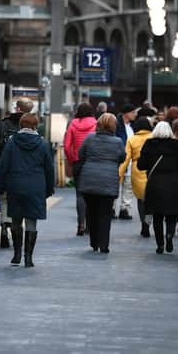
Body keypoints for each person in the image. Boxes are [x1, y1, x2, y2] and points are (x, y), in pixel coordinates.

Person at [0, 113, 54, 267]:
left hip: (15, 186)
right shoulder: (43, 144)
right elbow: (49, 169)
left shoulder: (12, 142)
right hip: (36, 188)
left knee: (16, 220)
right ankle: (28, 258)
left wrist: (0, 186)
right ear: (35, 126)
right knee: (31, 222)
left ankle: (16, 255)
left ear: (21, 125)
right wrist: (48, 190)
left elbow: (3, 167)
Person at [0, 98, 34, 246]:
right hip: (25, 173)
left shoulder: (4, 125)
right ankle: (15, 227)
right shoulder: (32, 127)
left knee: (4, 200)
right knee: (19, 201)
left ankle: (5, 226)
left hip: (4, 171)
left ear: (17, 108)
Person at [77, 113, 126, 253]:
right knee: (105, 214)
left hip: (89, 181)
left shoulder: (89, 138)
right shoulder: (117, 142)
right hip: (108, 182)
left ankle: (94, 242)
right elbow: (122, 157)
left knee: (91, 213)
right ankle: (104, 245)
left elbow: (81, 154)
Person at [137, 122, 178, 254]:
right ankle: (170, 235)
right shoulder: (176, 145)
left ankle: (160, 244)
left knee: (157, 216)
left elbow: (141, 166)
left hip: (155, 184)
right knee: (171, 215)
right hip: (173, 184)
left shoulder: (149, 144)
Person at [64, 103, 97, 236]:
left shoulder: (72, 124)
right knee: (92, 195)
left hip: (78, 162)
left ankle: (80, 226)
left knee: (79, 195)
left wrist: (72, 160)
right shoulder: (96, 124)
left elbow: (67, 146)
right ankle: (90, 225)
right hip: (92, 162)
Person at [118, 117, 153, 238]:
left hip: (137, 170)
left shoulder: (132, 139)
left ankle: (143, 224)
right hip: (152, 171)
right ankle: (148, 224)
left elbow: (126, 159)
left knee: (140, 200)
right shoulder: (153, 138)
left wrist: (120, 175)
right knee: (151, 203)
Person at [115, 103, 138, 219]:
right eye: (133, 112)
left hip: (130, 160)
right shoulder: (116, 125)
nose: (135, 114)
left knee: (128, 185)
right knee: (115, 184)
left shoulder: (134, 126)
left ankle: (125, 209)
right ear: (126, 114)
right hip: (119, 159)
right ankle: (112, 208)